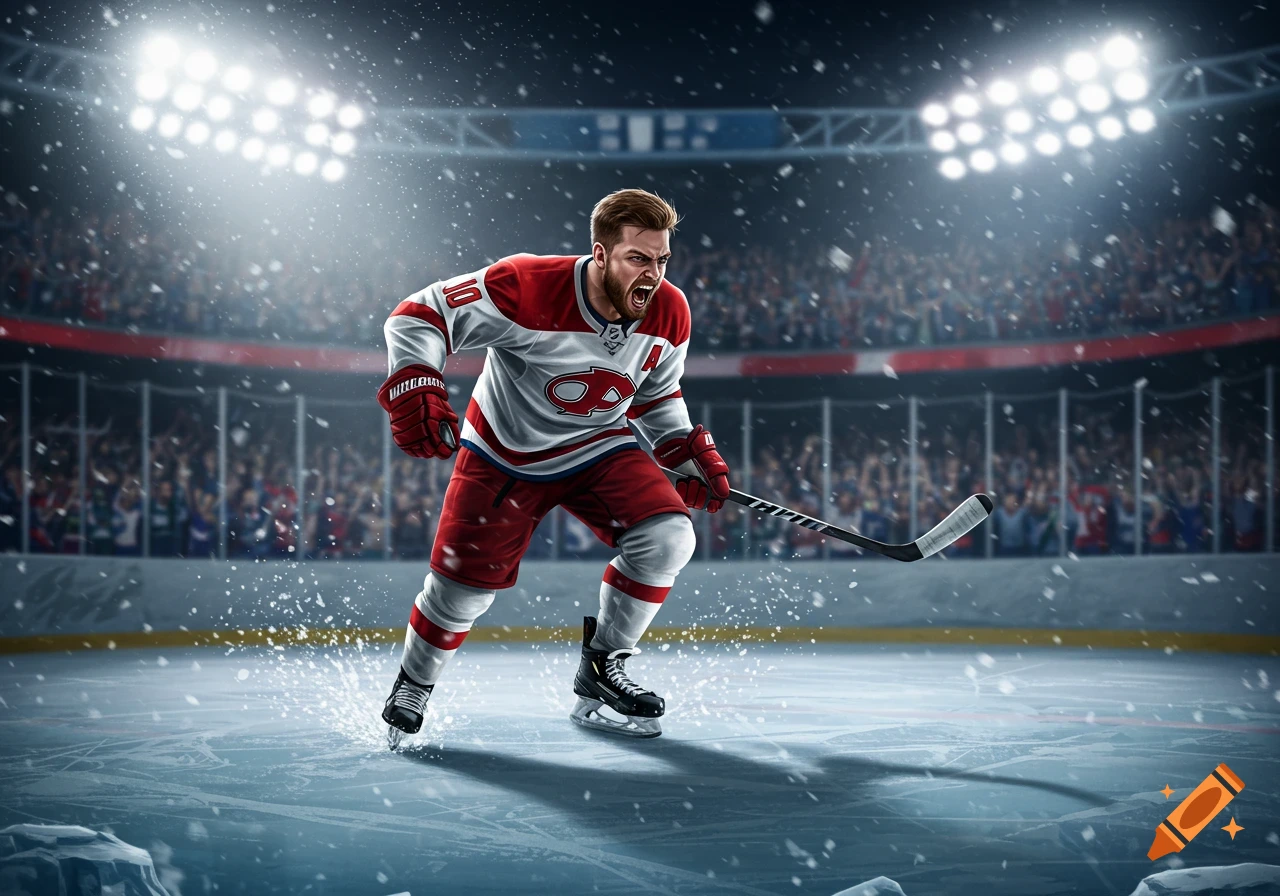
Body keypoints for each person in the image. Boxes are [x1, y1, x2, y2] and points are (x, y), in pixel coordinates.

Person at [376, 189, 730, 744]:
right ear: (600, 253)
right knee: (461, 591)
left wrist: (681, 447)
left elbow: (655, 394)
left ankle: (602, 669)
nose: (653, 275)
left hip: (597, 445)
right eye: (638, 258)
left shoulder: (670, 310)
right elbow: (419, 314)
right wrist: (417, 376)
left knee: (668, 539)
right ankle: (414, 683)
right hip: (503, 451)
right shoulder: (525, 285)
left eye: (661, 260)